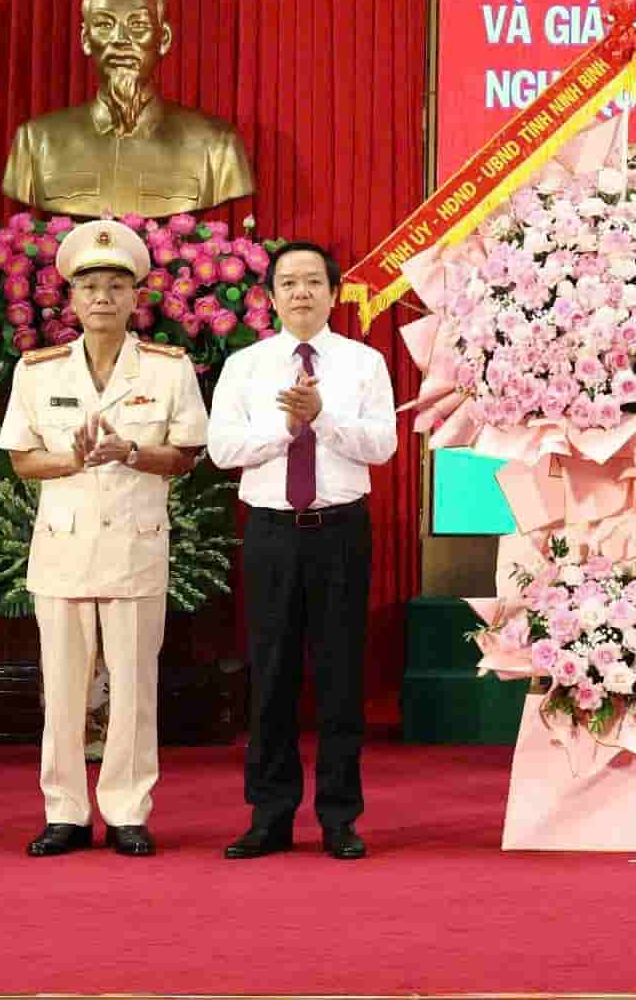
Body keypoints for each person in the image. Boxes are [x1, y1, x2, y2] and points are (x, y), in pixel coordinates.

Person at [0, 219, 208, 857]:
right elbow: (21, 459)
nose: (103, 298)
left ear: (135, 297)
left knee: (135, 684)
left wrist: (133, 451)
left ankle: (126, 810)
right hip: (63, 547)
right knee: (60, 687)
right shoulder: (38, 371)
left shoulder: (168, 369)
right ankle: (63, 810)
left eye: (116, 285)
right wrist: (75, 459)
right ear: (72, 297)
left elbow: (188, 454)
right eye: (90, 286)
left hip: (135, 545)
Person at [209, 241, 398, 862]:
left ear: (333, 292)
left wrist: (325, 419)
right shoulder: (246, 366)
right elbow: (223, 450)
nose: (300, 293)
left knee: (341, 675)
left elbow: (383, 445)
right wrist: (287, 429)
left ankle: (340, 817)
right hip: (270, 531)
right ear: (269, 296)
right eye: (287, 282)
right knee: (271, 675)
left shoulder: (365, 362)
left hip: (340, 529)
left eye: (312, 282)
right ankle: (269, 815)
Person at [0, 0, 255, 217]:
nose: (120, 39)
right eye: (104, 25)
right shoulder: (35, 141)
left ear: (163, 39)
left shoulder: (217, 144)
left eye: (138, 25)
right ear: (86, 39)